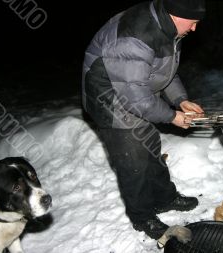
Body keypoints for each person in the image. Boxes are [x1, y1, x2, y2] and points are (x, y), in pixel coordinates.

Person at [82, 0, 206, 240]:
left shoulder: (168, 27)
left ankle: (165, 198)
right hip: (112, 100)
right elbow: (135, 98)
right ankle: (142, 216)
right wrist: (172, 116)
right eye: (193, 23)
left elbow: (164, 71)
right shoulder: (134, 37)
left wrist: (180, 100)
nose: (194, 29)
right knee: (133, 162)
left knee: (150, 148)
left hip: (134, 92)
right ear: (176, 15)